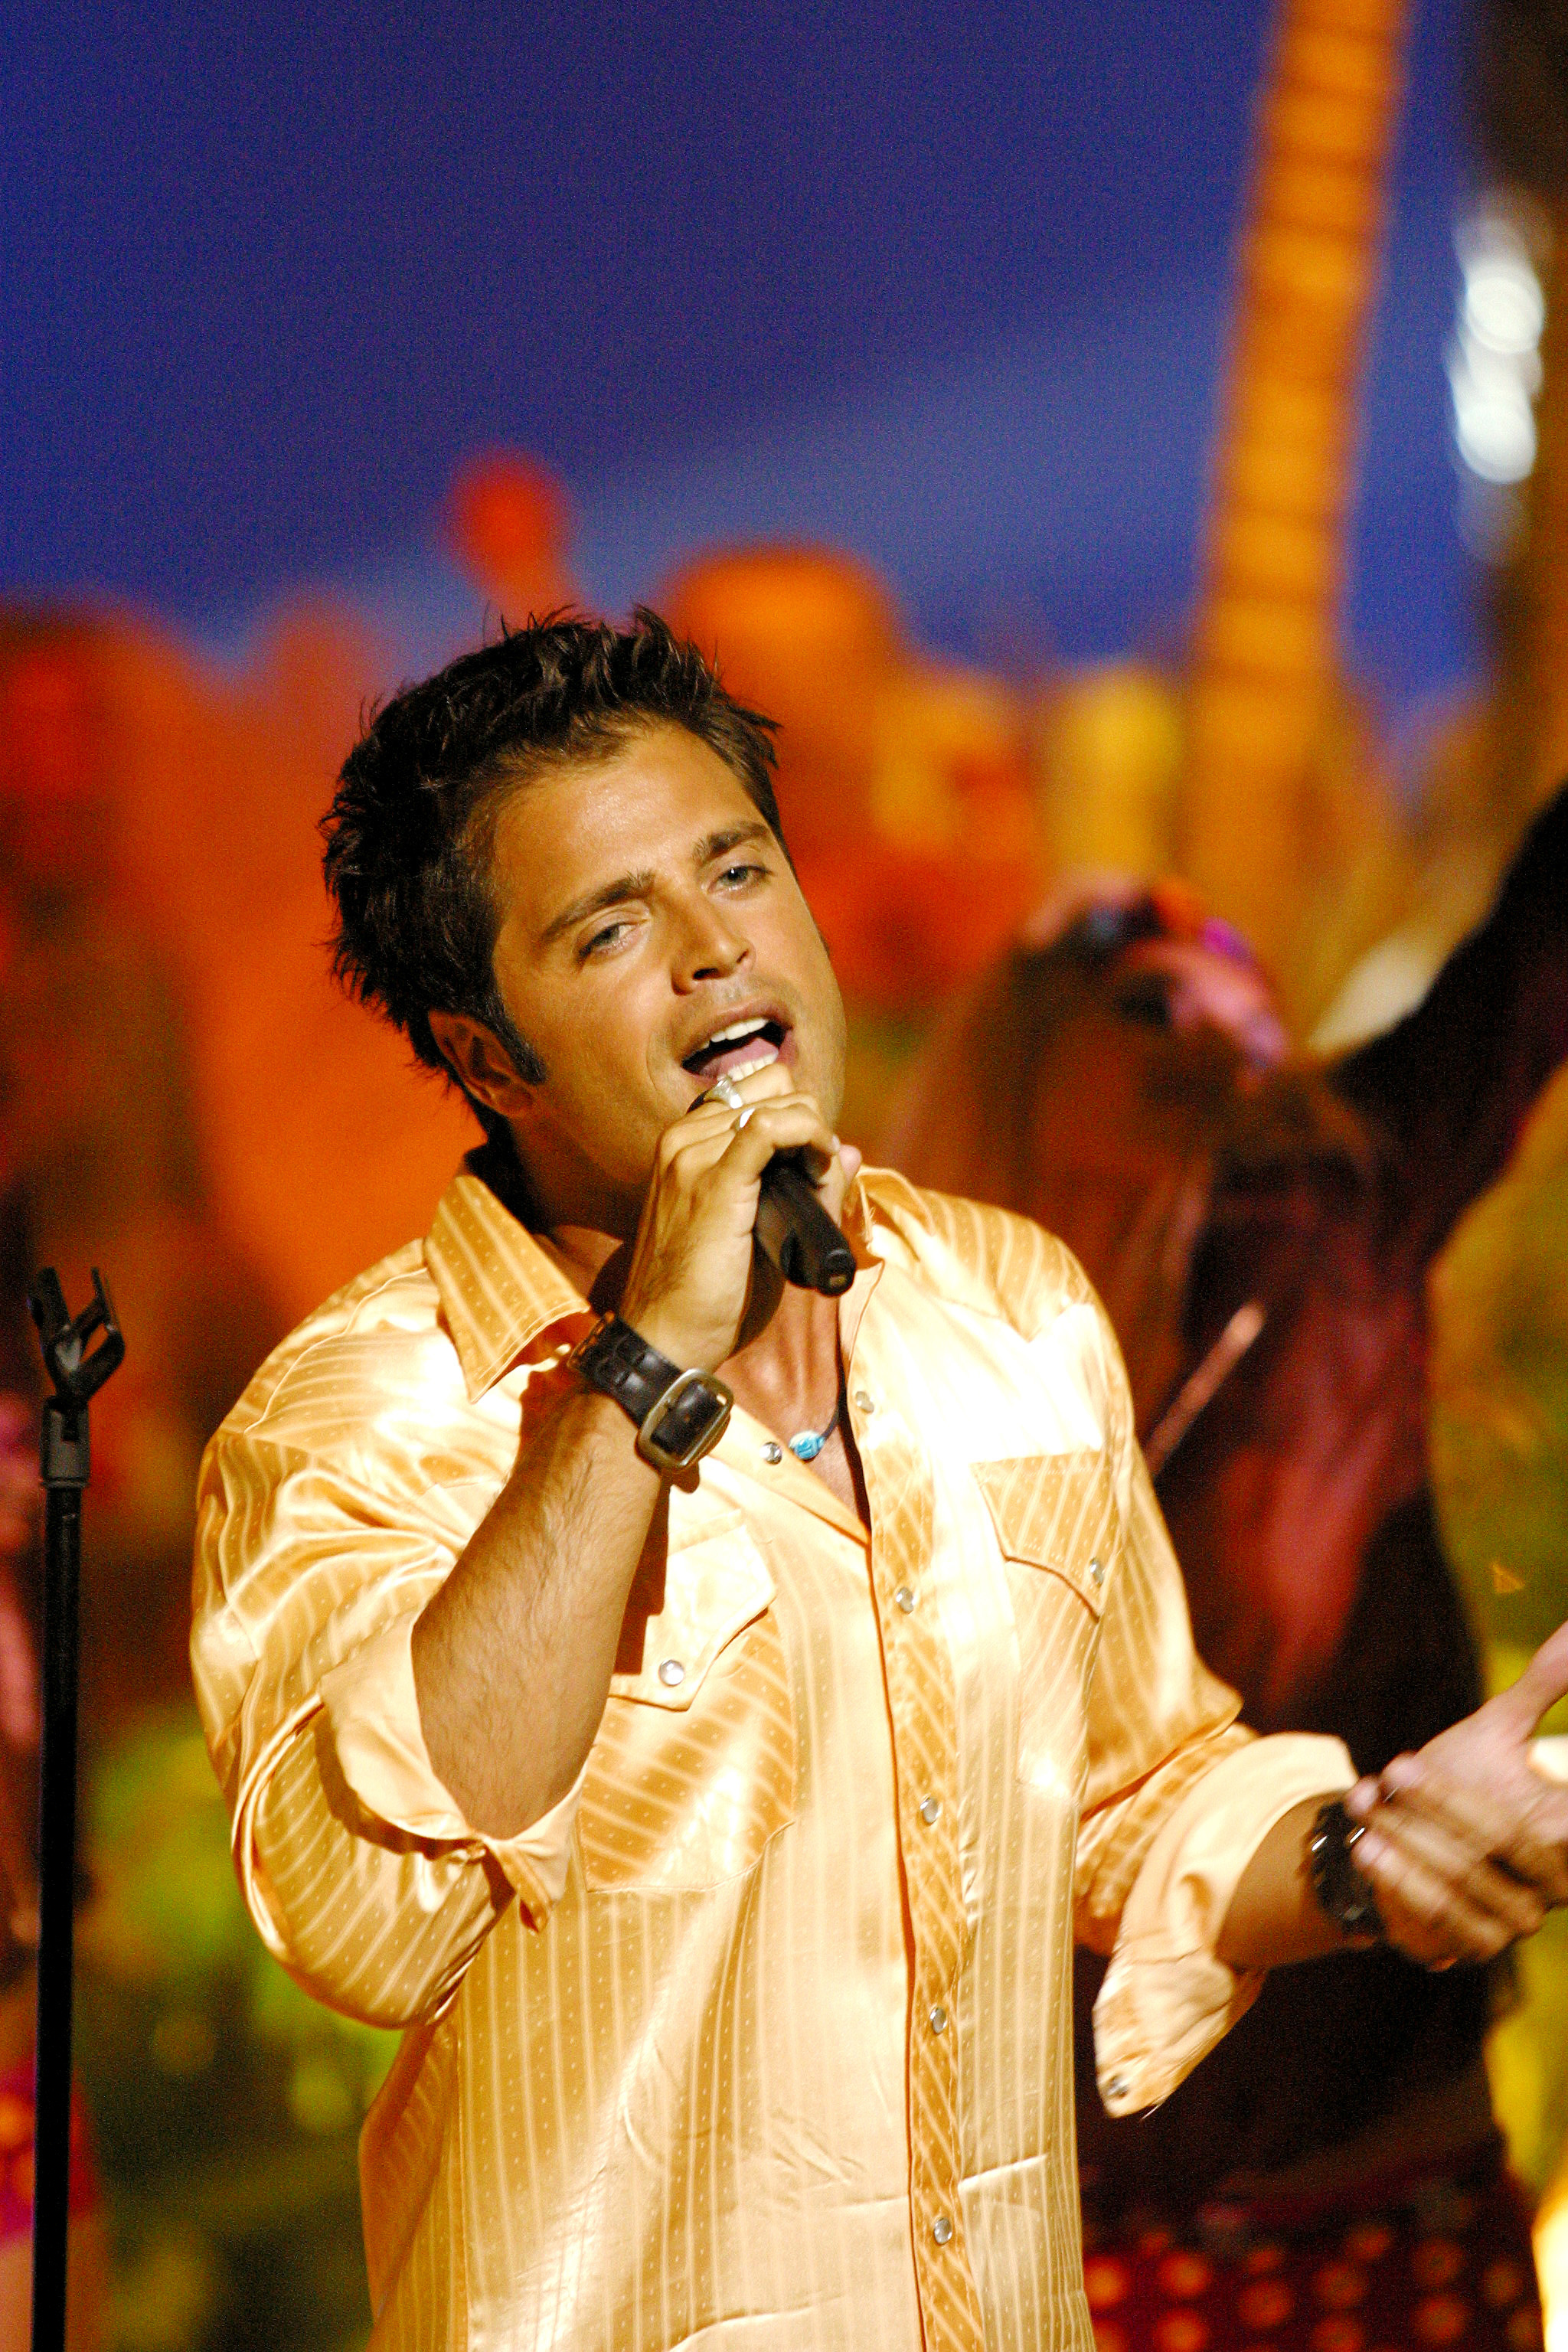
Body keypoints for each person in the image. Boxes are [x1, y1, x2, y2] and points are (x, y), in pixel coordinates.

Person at [191, 616, 1568, 2352]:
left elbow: (1137, 1797)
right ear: (485, 1056)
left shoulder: (1008, 1310)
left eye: (736, 872)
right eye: (611, 928)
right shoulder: (361, 1418)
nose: (710, 955)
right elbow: (368, 1924)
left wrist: (1376, 1855)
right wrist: (641, 1365)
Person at [884, 802, 1568, 2350]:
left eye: (1245, 998)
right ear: (1014, 1045)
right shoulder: (892, 1346)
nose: (1214, 1030)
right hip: (1056, 2209)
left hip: (1376, 2166)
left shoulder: (1334, 1212)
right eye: (1147, 999)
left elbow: (1530, 961)